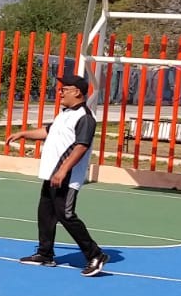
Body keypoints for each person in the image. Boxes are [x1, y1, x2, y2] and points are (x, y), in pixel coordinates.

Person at [8, 73, 109, 278]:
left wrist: (63, 170)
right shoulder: (64, 114)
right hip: (51, 175)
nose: (60, 92)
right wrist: (23, 133)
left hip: (66, 177)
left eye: (64, 89)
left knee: (67, 216)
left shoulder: (85, 118)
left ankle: (96, 255)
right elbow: (48, 132)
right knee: (45, 214)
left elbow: (81, 146)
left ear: (77, 92)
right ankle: (45, 254)